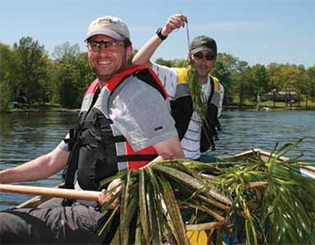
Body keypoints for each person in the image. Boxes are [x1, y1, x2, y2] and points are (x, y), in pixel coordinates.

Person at [0, 15, 183, 244]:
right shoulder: (94, 94)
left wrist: (130, 180)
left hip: (114, 214)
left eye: (110, 44)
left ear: (128, 51)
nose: (101, 51)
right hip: (80, 201)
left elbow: (174, 157)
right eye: (95, 44)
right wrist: (3, 176)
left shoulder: (138, 94)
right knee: (12, 216)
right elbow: (51, 162)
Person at [132, 14, 224, 162]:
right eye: (198, 55)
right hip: (172, 160)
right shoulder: (174, 77)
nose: (203, 61)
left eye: (209, 57)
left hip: (197, 159)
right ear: (190, 57)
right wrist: (164, 32)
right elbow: (138, 62)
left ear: (214, 60)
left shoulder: (218, 88)